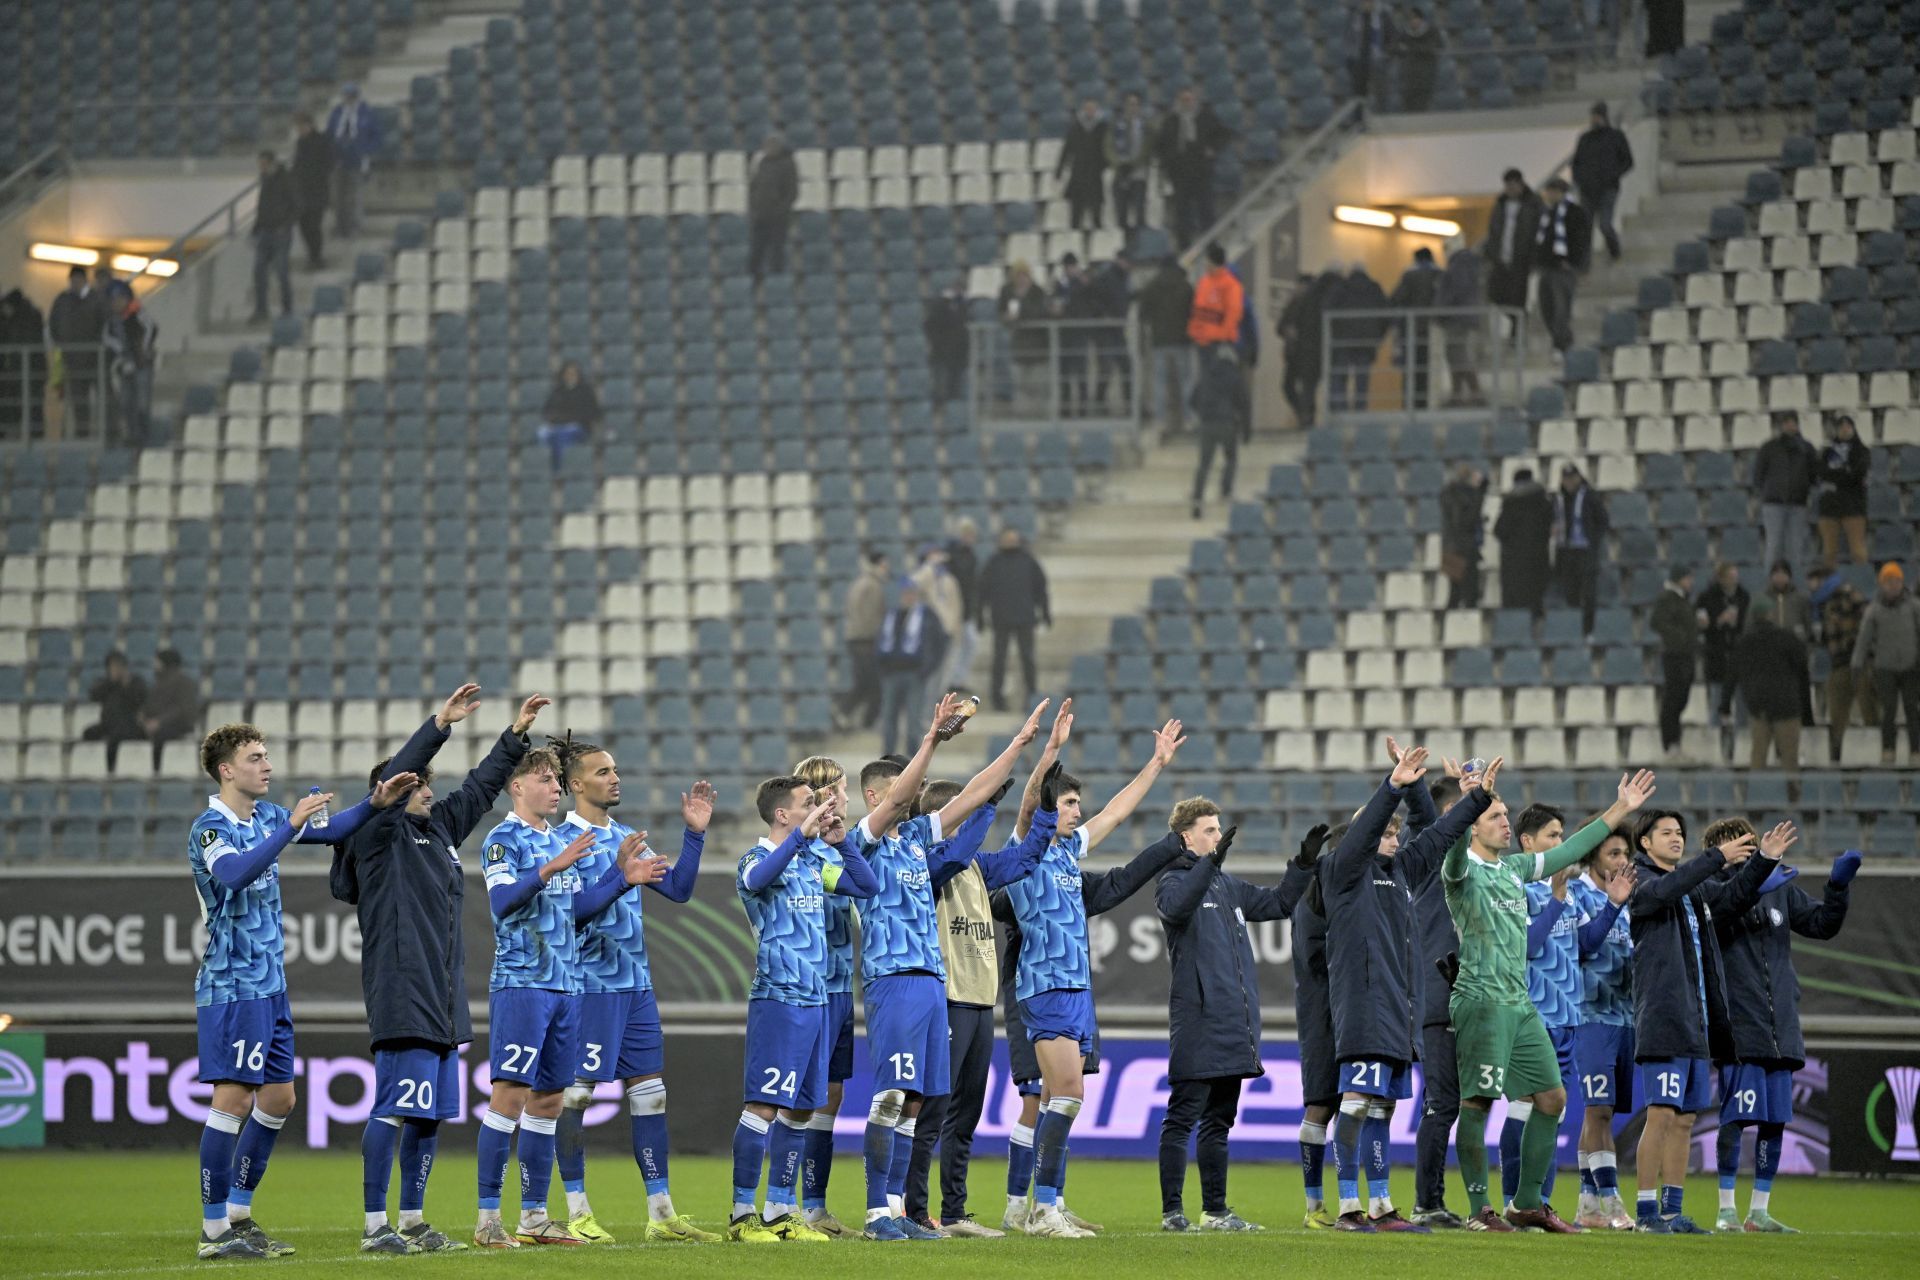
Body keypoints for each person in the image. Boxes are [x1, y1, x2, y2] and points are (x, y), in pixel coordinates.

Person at [330, 686, 548, 1254]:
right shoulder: (377, 837)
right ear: (397, 791)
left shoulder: (438, 832)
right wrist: (438, 725)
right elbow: (395, 779)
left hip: (444, 993)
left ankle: (413, 1220)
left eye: (426, 780)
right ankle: (376, 1225)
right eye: (418, 782)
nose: (428, 787)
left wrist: (514, 736)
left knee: (426, 1116)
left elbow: (478, 788)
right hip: (403, 988)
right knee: (395, 1109)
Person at [848, 700, 1052, 1240]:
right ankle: (875, 1215)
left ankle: (898, 1211)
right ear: (874, 796)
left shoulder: (916, 842)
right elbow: (899, 795)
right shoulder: (860, 843)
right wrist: (932, 739)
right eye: (902, 791)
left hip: (933, 983)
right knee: (891, 1094)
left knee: (916, 1103)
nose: (912, 799)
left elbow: (974, 795)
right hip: (891, 979)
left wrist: (1016, 746)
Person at [189, 723, 391, 1258]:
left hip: (270, 985)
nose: (267, 765)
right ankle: (214, 1233)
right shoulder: (211, 829)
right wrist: (290, 827)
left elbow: (336, 827)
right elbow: (233, 875)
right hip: (232, 984)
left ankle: (238, 1213)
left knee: (279, 1097)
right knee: (232, 1098)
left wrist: (376, 800)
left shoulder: (270, 817)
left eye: (266, 756)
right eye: (255, 757)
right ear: (227, 769)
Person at [998, 716, 1190, 1237]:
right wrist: (1048, 752)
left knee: (1065, 1096)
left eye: (1078, 804)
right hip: (1045, 985)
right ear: (1047, 809)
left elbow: (1117, 811)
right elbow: (1025, 808)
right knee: (1064, 1095)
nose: (1078, 812)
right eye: (1068, 803)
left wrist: (1155, 764)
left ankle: (1044, 1205)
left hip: (1077, 988)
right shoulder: (1028, 849)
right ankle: (1041, 1210)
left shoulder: (1066, 852)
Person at [1447, 764, 1657, 1232]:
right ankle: (1480, 1207)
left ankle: (1525, 1203)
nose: (1505, 822)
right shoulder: (1460, 868)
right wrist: (1470, 801)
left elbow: (1571, 849)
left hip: (1521, 1005)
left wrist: (1620, 808)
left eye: (1505, 814)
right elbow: (1454, 845)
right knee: (1478, 1102)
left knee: (1552, 1098)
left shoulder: (1514, 869)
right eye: (1495, 816)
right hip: (1482, 1001)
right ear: (1474, 827)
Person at [472, 747, 666, 1247]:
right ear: (517, 787)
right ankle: (488, 1217)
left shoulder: (562, 843)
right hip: (523, 983)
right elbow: (500, 903)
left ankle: (534, 1215)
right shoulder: (504, 839)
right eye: (544, 780)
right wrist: (549, 867)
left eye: (558, 781)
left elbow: (578, 908)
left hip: (568, 986)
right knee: (510, 1096)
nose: (555, 788)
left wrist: (621, 879)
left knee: (550, 1100)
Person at [548, 741, 721, 1244]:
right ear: (576, 784)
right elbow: (570, 913)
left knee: (651, 1095)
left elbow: (680, 890)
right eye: (603, 772)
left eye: (616, 770)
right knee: (576, 1095)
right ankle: (577, 1212)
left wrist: (694, 835)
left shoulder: (626, 836)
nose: (615, 778)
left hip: (636, 987)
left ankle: (662, 1214)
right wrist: (620, 880)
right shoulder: (563, 842)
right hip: (589, 988)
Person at [1321, 741, 1491, 1233]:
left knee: (1382, 1108)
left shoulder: (1401, 872)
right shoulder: (1342, 873)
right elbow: (1366, 832)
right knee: (1355, 1106)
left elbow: (1438, 838)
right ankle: (1349, 1206)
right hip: (1363, 1006)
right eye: (1386, 832)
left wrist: (1475, 801)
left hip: (1399, 1009)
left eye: (1398, 832)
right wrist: (1392, 787)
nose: (1393, 838)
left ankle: (1379, 1204)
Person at [726, 776, 876, 1241]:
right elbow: (756, 880)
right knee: (763, 1107)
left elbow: (864, 887)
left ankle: (777, 1211)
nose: (820, 808)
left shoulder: (813, 864)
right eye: (809, 803)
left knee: (798, 1111)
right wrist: (801, 839)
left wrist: (841, 841)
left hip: (816, 1001)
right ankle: (741, 1214)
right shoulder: (756, 859)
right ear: (782, 815)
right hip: (778, 999)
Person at [1155, 801, 1315, 1231]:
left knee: (1219, 1121)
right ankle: (1173, 1211)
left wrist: (1302, 865)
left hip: (1233, 1024)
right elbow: (1176, 908)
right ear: (1186, 837)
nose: (1217, 837)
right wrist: (1211, 865)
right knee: (1182, 1116)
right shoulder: (1171, 880)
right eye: (1209, 830)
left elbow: (1280, 903)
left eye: (1219, 830)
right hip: (1197, 1021)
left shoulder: (1227, 886)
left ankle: (1216, 1211)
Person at [1626, 810, 1785, 1232]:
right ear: (1645, 842)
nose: (1677, 839)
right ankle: (1645, 1214)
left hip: (1697, 1022)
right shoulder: (1640, 882)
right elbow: (1665, 890)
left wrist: (1762, 860)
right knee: (1660, 1115)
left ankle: (1672, 1212)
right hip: (1664, 1019)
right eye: (1666, 833)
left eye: (1680, 833)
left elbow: (1732, 897)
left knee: (1684, 1121)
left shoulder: (1693, 889)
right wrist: (1716, 856)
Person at [1706, 819, 1857, 1233]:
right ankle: (1725, 1210)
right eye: (1741, 844)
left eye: (1753, 843)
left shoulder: (1780, 889)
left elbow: (1822, 924)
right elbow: (1729, 905)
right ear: (1717, 852)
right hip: (1741, 1026)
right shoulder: (1710, 892)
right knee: (1735, 1118)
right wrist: (1760, 872)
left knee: (1774, 1121)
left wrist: (1838, 887)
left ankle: (1758, 1211)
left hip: (1781, 1026)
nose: (1752, 849)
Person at [900, 772, 1026, 1238]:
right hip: (948, 999)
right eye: (967, 812)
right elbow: (953, 854)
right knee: (931, 1112)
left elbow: (1024, 858)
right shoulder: (929, 864)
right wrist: (988, 806)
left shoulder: (977, 866)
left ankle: (954, 1212)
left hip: (980, 1001)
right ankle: (915, 1211)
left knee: (966, 1115)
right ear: (946, 819)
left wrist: (1046, 813)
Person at [1567, 830, 1638, 1230]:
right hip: (1589, 1014)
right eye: (1613, 853)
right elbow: (1583, 946)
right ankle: (1611, 1202)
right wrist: (1613, 904)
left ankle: (1587, 1205)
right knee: (1599, 1109)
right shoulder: (1578, 894)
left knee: (1602, 1114)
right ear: (1593, 857)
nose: (1620, 860)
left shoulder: (1629, 899)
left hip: (1624, 1017)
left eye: (1625, 853)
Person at [1808, 568, 1878, 762]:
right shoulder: (1818, 605)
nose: (1810, 586)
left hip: (1860, 663)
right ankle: (1836, 754)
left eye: (1813, 580)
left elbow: (1869, 624)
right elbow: (1825, 636)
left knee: (1869, 708)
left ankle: (1877, 750)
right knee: (1837, 713)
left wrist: (1855, 644)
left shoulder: (1849, 594)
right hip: (1837, 664)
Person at [1853, 561, 1920, 764]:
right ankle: (1888, 750)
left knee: (1912, 710)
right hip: (1884, 668)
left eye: (1897, 581)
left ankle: (1915, 751)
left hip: (1910, 666)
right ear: (1882, 584)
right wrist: (1856, 663)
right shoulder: (1874, 610)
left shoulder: (1914, 606)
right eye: (1889, 581)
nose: (1893, 585)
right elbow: (1863, 640)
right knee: (1888, 710)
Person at [874, 578, 949, 758]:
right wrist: (882, 668)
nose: (907, 597)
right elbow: (880, 642)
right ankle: (887, 759)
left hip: (915, 675)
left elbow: (941, 642)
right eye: (905, 594)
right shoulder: (892, 615)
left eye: (911, 593)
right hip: (891, 674)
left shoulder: (926, 615)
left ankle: (912, 761)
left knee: (913, 722)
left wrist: (927, 668)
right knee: (889, 720)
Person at [977, 527, 1050, 712]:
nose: (1010, 542)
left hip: (1025, 618)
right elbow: (981, 591)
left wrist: (1045, 612)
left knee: (1028, 659)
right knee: (999, 660)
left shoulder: (1028, 561)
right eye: (1006, 538)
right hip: (1001, 619)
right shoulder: (993, 562)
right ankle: (997, 699)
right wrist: (979, 615)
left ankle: (1032, 697)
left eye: (1013, 538)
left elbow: (1041, 588)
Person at [1737, 601, 1809, 771]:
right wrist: (1806, 710)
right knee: (1790, 759)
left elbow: (1735, 673)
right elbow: (1802, 672)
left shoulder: (1745, 642)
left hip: (1758, 707)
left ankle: (1754, 795)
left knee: (1758, 757)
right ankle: (1793, 795)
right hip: (1787, 706)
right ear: (1771, 615)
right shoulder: (1788, 638)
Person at [1156, 87, 1231, 247]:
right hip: (1180, 172)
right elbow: (1161, 145)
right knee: (1182, 211)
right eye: (1183, 100)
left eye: (1189, 99)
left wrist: (1213, 148)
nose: (1186, 103)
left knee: (1206, 210)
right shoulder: (1171, 121)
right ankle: (1184, 246)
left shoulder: (1205, 117)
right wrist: (1167, 163)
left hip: (1201, 170)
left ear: (1194, 101)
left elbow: (1223, 134)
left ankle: (1211, 243)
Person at [1753, 411, 1819, 576]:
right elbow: (1758, 474)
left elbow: (1814, 474)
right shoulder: (1769, 447)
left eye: (1793, 422)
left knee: (1795, 550)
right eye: (1786, 422)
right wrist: (1767, 492)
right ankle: (1770, 586)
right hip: (1773, 504)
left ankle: (1794, 589)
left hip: (1798, 504)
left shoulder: (1807, 448)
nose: (1790, 425)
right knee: (1773, 548)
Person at [1138, 254, 1195, 436]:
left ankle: (1160, 421)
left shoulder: (1152, 286)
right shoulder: (1186, 286)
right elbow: (1193, 313)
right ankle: (1188, 419)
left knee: (1160, 383)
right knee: (1185, 381)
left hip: (1159, 342)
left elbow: (1142, 315)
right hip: (1182, 341)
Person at [1188, 344, 1247, 519]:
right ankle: (1225, 491)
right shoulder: (1235, 377)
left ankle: (1198, 497)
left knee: (1204, 464)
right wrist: (1246, 429)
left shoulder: (1206, 376)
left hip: (1207, 425)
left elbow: (1192, 400)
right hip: (1228, 424)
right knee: (1231, 458)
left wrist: (1203, 413)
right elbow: (1243, 403)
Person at [1533, 178, 1591, 355]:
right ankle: (1560, 340)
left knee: (1561, 308)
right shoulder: (1545, 215)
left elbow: (1581, 240)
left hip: (1563, 268)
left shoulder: (1574, 212)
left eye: (1552, 191)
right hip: (1547, 267)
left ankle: (1562, 343)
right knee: (1546, 307)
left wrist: (1574, 262)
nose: (1549, 195)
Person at [1570, 103, 1634, 261]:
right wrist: (1579, 180)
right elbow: (1576, 163)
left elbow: (1627, 161)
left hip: (1608, 188)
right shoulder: (1585, 139)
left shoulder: (1616, 136)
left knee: (1605, 224)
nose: (1594, 119)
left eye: (1596, 116)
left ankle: (1614, 251)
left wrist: (1613, 175)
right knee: (1585, 228)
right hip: (1587, 190)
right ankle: (1584, 264)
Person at [47, 265, 106, 433]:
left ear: (84, 280)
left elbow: (103, 325)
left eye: (77, 280)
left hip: (94, 358)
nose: (75, 283)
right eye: (72, 280)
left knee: (102, 397)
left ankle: (106, 432)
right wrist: (62, 345)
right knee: (79, 401)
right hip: (72, 359)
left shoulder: (95, 300)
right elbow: (54, 325)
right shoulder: (63, 300)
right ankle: (83, 433)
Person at [1484, 170, 1542, 341]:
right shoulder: (1500, 205)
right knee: (1496, 295)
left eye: (1513, 185)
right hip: (1501, 260)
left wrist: (1533, 257)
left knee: (1518, 297)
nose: (1510, 189)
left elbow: (1536, 232)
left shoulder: (1533, 204)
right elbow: (1493, 232)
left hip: (1521, 260)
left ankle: (1517, 331)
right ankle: (1516, 324)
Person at [1552, 463, 1609, 635]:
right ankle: (1573, 629)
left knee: (1589, 593)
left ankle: (1588, 629)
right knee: (1570, 592)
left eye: (1572, 478)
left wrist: (1593, 540)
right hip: (1566, 552)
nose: (1569, 482)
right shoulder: (1557, 498)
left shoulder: (1590, 496)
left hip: (1585, 552)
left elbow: (1603, 520)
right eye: (1566, 479)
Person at [1323, 262, 1388, 413]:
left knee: (1340, 376)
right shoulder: (1374, 289)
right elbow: (1386, 314)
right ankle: (1360, 410)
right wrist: (1378, 337)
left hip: (1343, 340)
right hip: (1366, 342)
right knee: (1362, 378)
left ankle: (1341, 410)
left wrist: (1335, 333)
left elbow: (1327, 309)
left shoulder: (1341, 288)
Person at [1651, 565, 1700, 757]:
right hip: (1674, 654)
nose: (1691, 582)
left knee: (1681, 696)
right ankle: (1670, 742)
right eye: (1688, 578)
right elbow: (1657, 622)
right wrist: (1678, 637)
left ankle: (1675, 741)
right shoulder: (1667, 598)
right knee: (1673, 697)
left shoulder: (1682, 599)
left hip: (1686, 653)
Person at [839, 550, 889, 732]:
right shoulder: (873, 586)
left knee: (863, 683)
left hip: (855, 639)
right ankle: (865, 722)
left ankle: (845, 712)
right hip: (866, 641)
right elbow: (871, 618)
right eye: (884, 566)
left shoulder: (858, 584)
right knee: (874, 687)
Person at [1698, 561, 1750, 732]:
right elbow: (1701, 625)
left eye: (1735, 576)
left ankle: (1742, 738)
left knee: (1742, 701)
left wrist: (1738, 624)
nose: (1734, 580)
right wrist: (1719, 621)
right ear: (1720, 578)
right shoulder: (1706, 598)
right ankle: (1714, 739)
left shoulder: (1744, 597)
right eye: (1730, 577)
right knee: (1717, 700)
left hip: (1740, 654)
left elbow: (1749, 624)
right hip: (1716, 656)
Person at [1493, 468, 1553, 614]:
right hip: (1538, 560)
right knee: (1535, 603)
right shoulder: (1545, 503)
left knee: (1515, 609)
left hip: (1514, 563)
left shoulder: (1511, 504)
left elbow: (1499, 531)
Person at [1388, 246, 1441, 408]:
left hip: (1411, 332)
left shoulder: (1409, 276)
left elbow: (1395, 299)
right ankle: (1425, 404)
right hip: (1433, 332)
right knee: (1428, 371)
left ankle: (1409, 405)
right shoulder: (1440, 275)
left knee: (1410, 371)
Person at [1816, 414, 1871, 570]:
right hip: (1829, 507)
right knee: (1829, 552)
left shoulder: (1862, 451)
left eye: (1848, 426)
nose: (1844, 429)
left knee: (1858, 551)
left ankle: (1861, 583)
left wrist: (1836, 477)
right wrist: (1845, 473)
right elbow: (1821, 472)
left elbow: (1858, 473)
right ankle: (1829, 587)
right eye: (1841, 426)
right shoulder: (1827, 452)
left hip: (1853, 507)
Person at [912, 544, 965, 706]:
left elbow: (957, 606)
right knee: (929, 674)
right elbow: (915, 584)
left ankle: (931, 710)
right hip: (928, 633)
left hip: (946, 631)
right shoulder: (924, 577)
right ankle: (923, 709)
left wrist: (956, 630)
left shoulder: (949, 580)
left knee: (940, 676)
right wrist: (929, 569)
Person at [327, 83, 381, 239]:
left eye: (351, 96)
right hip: (338, 158)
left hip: (357, 158)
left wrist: (366, 150)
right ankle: (340, 224)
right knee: (338, 194)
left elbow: (376, 136)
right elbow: (330, 133)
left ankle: (355, 225)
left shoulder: (367, 113)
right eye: (345, 96)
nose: (347, 99)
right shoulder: (337, 112)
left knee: (355, 194)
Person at [1277, 271, 1331, 428]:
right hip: (1294, 354)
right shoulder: (1293, 303)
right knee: (1288, 386)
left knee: (1309, 388)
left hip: (1310, 353)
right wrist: (1287, 330)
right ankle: (1303, 413)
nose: (1299, 289)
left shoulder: (1316, 305)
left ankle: (1307, 420)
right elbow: (1280, 326)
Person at [998, 261, 1051, 413]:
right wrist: (1006, 318)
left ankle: (1040, 414)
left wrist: (1021, 302)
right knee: (1019, 383)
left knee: (1038, 384)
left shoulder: (1038, 292)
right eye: (1018, 276)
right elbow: (1001, 313)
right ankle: (1021, 413)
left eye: (1024, 275)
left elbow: (1039, 313)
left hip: (1038, 345)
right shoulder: (1007, 291)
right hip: (1018, 345)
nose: (1021, 279)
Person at [1435, 244, 1485, 406]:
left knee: (1457, 353)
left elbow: (1457, 288)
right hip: (1463, 315)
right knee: (1454, 354)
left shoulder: (1459, 264)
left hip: (1457, 316)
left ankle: (1474, 392)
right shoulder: (1467, 263)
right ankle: (1457, 395)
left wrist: (1442, 308)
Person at [105, 282, 155, 443]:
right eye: (113, 300)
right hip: (125, 366)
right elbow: (108, 339)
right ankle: (132, 436)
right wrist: (121, 354)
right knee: (126, 402)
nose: (116, 303)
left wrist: (141, 353)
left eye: (119, 299)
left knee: (142, 403)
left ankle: (144, 437)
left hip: (141, 365)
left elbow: (150, 330)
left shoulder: (139, 314)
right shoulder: (112, 322)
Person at [251, 150, 297, 323]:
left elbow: (296, 205)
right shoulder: (266, 180)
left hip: (280, 233)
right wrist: (256, 227)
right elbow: (262, 205)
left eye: (263, 164)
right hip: (265, 231)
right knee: (259, 272)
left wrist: (285, 226)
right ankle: (261, 309)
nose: (261, 168)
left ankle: (287, 308)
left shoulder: (286, 180)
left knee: (282, 272)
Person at [82, 650, 147, 771]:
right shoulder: (105, 683)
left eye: (118, 666)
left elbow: (140, 699)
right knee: (88, 733)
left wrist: (125, 684)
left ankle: (111, 769)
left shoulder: (136, 682)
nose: (115, 669)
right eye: (112, 666)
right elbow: (94, 696)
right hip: (108, 724)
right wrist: (110, 682)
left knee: (115, 739)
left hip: (130, 724)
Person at [747, 133, 798, 283]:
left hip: (778, 217)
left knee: (777, 251)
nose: (768, 149)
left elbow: (792, 192)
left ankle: (777, 283)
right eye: (767, 146)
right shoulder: (762, 163)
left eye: (772, 146)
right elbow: (754, 186)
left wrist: (780, 210)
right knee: (757, 249)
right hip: (760, 215)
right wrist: (753, 207)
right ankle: (753, 280)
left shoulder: (788, 164)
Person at [142, 648, 201, 771]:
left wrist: (159, 722)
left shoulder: (185, 683)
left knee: (160, 736)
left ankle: (156, 769)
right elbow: (150, 706)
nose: (155, 666)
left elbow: (183, 710)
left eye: (157, 663)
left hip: (180, 725)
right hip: (159, 725)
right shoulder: (158, 684)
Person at [290, 110, 334, 269]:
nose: (300, 130)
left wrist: (315, 174)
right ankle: (311, 256)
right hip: (302, 193)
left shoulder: (322, 141)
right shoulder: (300, 143)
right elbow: (297, 165)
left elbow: (329, 163)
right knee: (303, 227)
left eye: (301, 126)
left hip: (317, 191)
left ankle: (317, 257)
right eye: (298, 127)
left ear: (310, 125)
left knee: (314, 227)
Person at [1057, 98, 1110, 231]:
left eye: (1093, 108)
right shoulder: (1075, 127)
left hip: (1095, 173)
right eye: (1087, 108)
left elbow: (1108, 149)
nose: (1090, 111)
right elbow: (1067, 149)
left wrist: (1105, 165)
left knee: (1096, 211)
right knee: (1075, 213)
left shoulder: (1102, 127)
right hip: (1078, 173)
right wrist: (1059, 169)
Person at [1440, 464, 1488, 609]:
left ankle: (1449, 628)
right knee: (1469, 594)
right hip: (1463, 548)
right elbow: (1464, 522)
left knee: (1455, 593)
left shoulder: (1448, 494)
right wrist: (1480, 495)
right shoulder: (1462, 496)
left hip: (1450, 547)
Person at [0, 286, 46, 434]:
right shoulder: (31, 315)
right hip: (27, 371)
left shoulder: (20, 321)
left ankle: (24, 438)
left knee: (23, 408)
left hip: (23, 371)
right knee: (30, 408)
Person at [537, 361, 601, 468]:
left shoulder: (585, 391)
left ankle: (560, 468)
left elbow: (592, 412)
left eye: (573, 373)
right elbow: (547, 411)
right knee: (542, 433)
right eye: (568, 373)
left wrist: (570, 419)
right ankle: (545, 466)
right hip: (557, 425)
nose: (570, 375)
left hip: (578, 427)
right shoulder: (557, 391)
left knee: (565, 434)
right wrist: (554, 420)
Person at [942, 518, 981, 689]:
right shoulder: (950, 555)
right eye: (966, 534)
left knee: (970, 642)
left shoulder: (971, 556)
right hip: (951, 607)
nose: (969, 538)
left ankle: (958, 679)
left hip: (966, 607)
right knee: (952, 647)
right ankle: (947, 681)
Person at [1108, 91, 1151, 234]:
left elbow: (1148, 147)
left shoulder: (1145, 126)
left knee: (1139, 213)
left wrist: (1134, 163)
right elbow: (1108, 146)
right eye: (1130, 104)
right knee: (1121, 215)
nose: (1133, 107)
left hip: (1138, 175)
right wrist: (1118, 164)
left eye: (1135, 104)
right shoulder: (1116, 125)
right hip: (1120, 175)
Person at [923, 279, 969, 405]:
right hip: (940, 351)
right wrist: (937, 341)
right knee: (939, 384)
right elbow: (929, 325)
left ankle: (953, 411)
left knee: (955, 387)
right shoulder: (939, 304)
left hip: (958, 353)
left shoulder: (965, 307)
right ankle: (939, 407)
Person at [1393, 6, 1443, 111]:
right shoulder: (1404, 32)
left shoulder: (1431, 31)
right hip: (1409, 75)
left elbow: (1432, 48)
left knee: (1423, 104)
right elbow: (1395, 47)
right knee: (1409, 104)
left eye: (1415, 18)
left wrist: (1410, 47)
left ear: (1421, 19)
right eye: (1410, 19)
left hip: (1426, 74)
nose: (1413, 21)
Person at [1347, 0, 1391, 107]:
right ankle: (1359, 120)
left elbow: (1392, 37)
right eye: (1365, 2)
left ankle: (1379, 118)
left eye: (1370, 2)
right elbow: (1348, 37)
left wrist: (1385, 53)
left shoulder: (1382, 17)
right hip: (1359, 61)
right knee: (1359, 95)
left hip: (1376, 61)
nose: (1367, 4)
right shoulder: (1355, 17)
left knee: (1379, 93)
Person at [1762, 559, 1811, 642]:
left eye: (1783, 574)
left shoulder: (1801, 599)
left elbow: (1808, 625)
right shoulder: (1763, 599)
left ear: (1789, 577)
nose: (1780, 578)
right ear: (1771, 577)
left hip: (1794, 647)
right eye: (1776, 574)